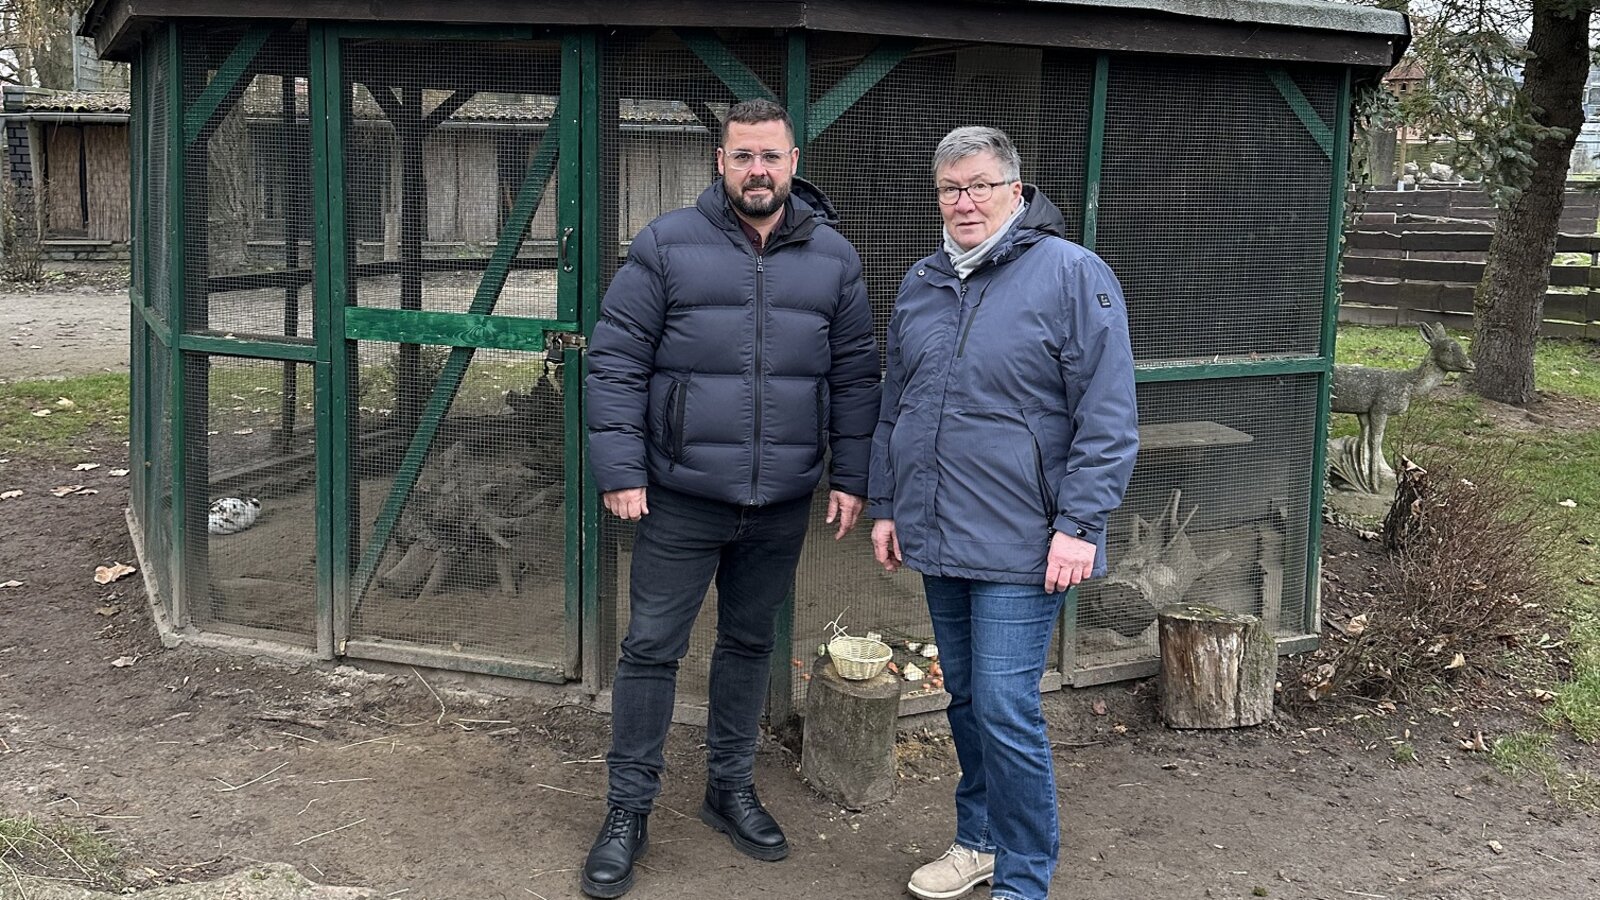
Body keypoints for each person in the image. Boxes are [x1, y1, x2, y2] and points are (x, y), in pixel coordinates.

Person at [581, 98, 879, 899]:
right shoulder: (666, 245)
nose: (758, 170)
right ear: (721, 162)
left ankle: (728, 787)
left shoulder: (834, 259)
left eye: (772, 157)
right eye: (743, 156)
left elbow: (855, 377)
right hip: (679, 495)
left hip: (780, 500)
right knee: (650, 648)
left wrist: (852, 475)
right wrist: (620, 468)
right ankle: (627, 809)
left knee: (749, 647)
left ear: (792, 162)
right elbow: (615, 363)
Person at [868, 126, 1138, 900]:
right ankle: (978, 841)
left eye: (982, 185)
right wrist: (887, 505)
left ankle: (1024, 877)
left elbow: (1109, 413)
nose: (965, 201)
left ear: (1016, 193)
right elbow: (898, 407)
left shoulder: (1071, 274)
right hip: (940, 529)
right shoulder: (922, 282)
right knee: (964, 698)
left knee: (1006, 704)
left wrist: (1081, 524)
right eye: (951, 188)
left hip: (1028, 538)